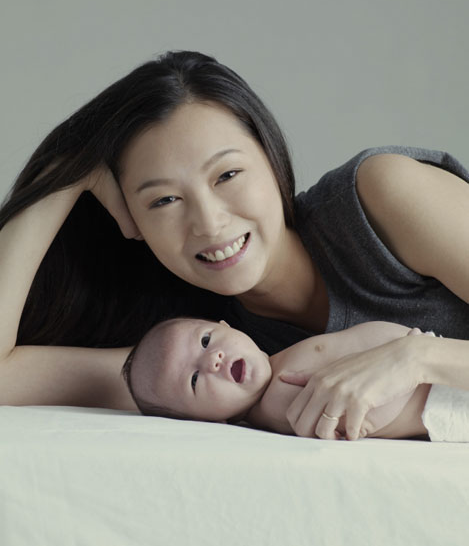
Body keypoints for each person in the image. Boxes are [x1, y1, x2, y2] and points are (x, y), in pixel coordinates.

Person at [1, 50, 469, 440]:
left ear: (271, 157)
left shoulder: (381, 198)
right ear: (131, 221)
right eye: (164, 200)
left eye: (227, 175)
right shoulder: (202, 356)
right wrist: (63, 175)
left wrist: (415, 359)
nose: (209, 223)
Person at [122, 317, 434, 440]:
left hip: (429, 361)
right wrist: (408, 359)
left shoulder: (278, 366)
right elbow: (362, 410)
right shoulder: (276, 404)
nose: (212, 360)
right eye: (194, 380)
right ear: (208, 421)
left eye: (206, 340)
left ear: (226, 326)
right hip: (437, 395)